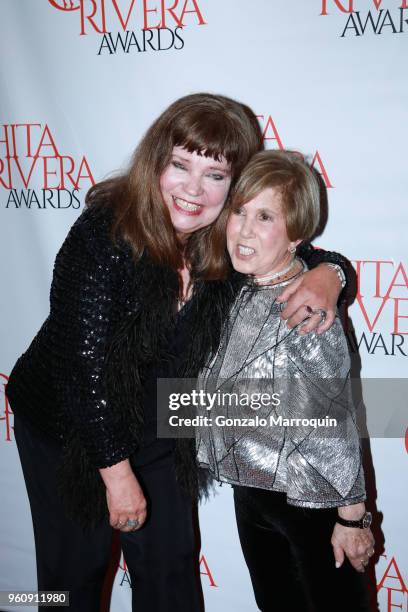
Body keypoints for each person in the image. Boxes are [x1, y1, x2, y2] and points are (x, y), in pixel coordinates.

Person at [7, 95, 348, 612]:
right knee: (73, 571)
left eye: (215, 174)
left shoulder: (230, 242)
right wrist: (118, 478)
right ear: (155, 163)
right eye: (180, 165)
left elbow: (303, 251)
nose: (193, 188)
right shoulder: (105, 234)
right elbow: (86, 374)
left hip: (163, 419)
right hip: (69, 424)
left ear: (235, 187)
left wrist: (332, 274)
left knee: (171, 565)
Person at [196, 150, 375, 612]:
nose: (244, 229)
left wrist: (353, 520)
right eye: (239, 211)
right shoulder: (241, 287)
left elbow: (333, 425)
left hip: (309, 505)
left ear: (296, 235)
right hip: (252, 493)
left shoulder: (306, 308)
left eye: (265, 216)